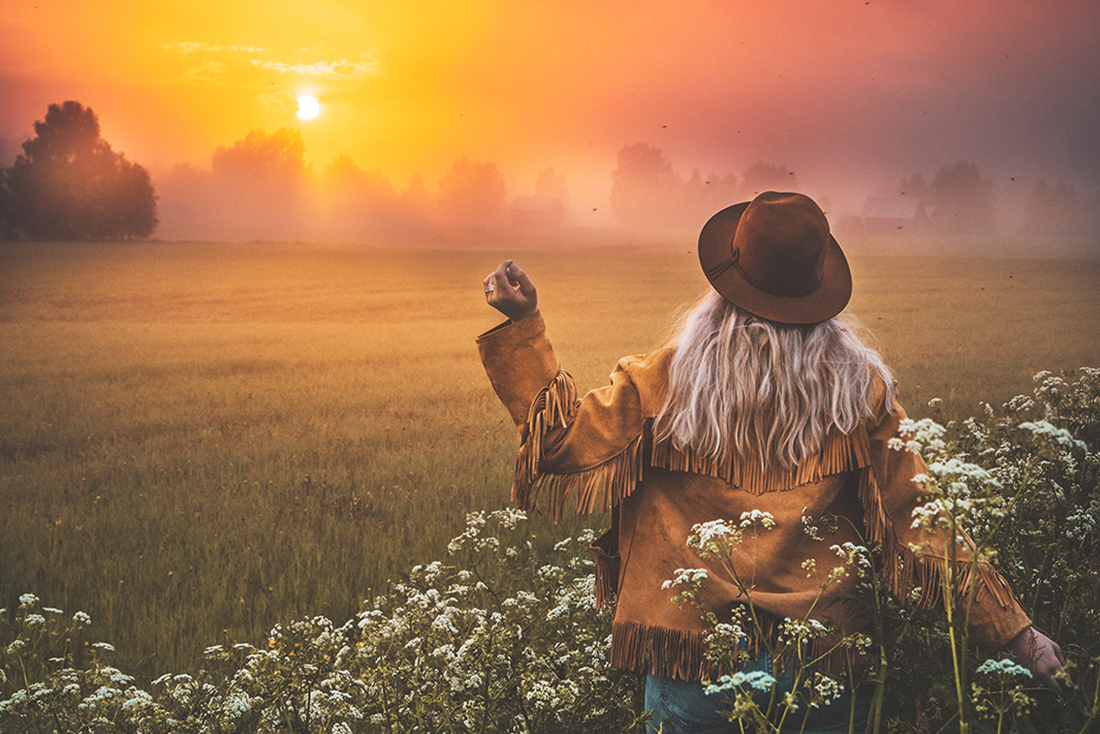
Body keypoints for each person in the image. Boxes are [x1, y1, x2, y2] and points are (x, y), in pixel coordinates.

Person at [477, 192, 1065, 731]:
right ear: (818, 288)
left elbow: (555, 444)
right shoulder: (859, 389)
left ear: (725, 282)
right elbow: (921, 520)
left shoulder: (665, 381)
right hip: (826, 665)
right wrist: (1015, 632)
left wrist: (522, 326)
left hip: (695, 662)